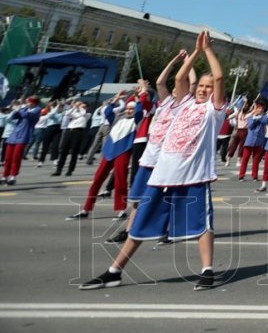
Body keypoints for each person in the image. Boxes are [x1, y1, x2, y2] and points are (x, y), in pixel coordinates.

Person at [81, 30, 227, 291]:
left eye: (209, 87)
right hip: (162, 175)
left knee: (203, 225)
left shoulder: (214, 111)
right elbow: (181, 77)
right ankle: (115, 271)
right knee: (138, 225)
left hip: (193, 176)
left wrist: (207, 51)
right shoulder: (182, 103)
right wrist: (194, 52)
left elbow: (219, 76)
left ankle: (207, 271)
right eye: (202, 86)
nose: (205, 89)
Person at [106, 51, 188, 245]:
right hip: (149, 156)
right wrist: (176, 60)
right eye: (173, 89)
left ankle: (168, 231)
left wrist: (188, 63)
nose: (174, 91)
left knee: (167, 196)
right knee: (137, 196)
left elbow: (187, 82)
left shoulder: (185, 108)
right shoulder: (164, 104)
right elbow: (160, 82)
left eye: (179, 89)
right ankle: (128, 230)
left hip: (166, 158)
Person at [67, 91, 145, 220]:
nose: (129, 111)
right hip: (109, 151)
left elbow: (139, 111)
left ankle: (121, 210)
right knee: (97, 180)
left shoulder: (136, 121)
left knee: (120, 181)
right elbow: (107, 112)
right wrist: (115, 99)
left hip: (123, 151)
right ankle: (86, 209)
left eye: (132, 109)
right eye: (128, 108)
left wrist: (138, 100)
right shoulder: (117, 118)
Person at [4, 96, 42, 184]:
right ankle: (4, 176)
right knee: (8, 157)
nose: (27, 103)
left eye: (28, 102)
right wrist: (15, 109)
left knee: (16, 157)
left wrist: (21, 108)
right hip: (14, 135)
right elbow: (12, 117)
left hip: (24, 135)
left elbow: (27, 115)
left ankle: (13, 176)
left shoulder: (37, 110)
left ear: (33, 103)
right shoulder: (24, 109)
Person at [53, 100, 89, 177]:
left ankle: (70, 170)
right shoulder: (75, 113)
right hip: (69, 130)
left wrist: (81, 107)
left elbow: (83, 113)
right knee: (63, 151)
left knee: (74, 152)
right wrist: (74, 107)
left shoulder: (87, 114)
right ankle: (59, 169)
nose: (81, 106)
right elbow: (67, 114)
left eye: (84, 106)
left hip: (78, 131)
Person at [238, 101, 268, 182]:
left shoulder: (264, 117)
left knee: (256, 159)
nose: (260, 110)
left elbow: (265, 121)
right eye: (258, 108)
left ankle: (254, 175)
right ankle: (241, 175)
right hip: (249, 140)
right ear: (256, 109)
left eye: (261, 108)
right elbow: (250, 125)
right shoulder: (251, 117)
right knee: (245, 159)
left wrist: (259, 117)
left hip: (258, 141)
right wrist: (254, 116)